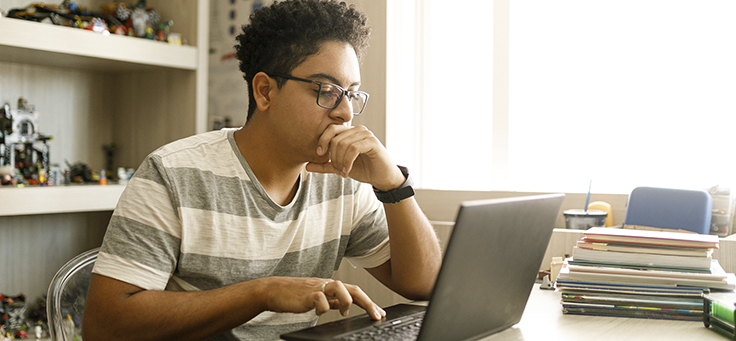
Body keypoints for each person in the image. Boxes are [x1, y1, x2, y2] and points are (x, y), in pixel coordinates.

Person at [82, 0, 442, 340]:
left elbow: (422, 284)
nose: (345, 113)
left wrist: (393, 184)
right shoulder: (173, 174)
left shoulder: (343, 183)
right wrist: (261, 293)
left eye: (352, 93)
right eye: (327, 90)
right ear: (265, 91)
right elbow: (103, 327)